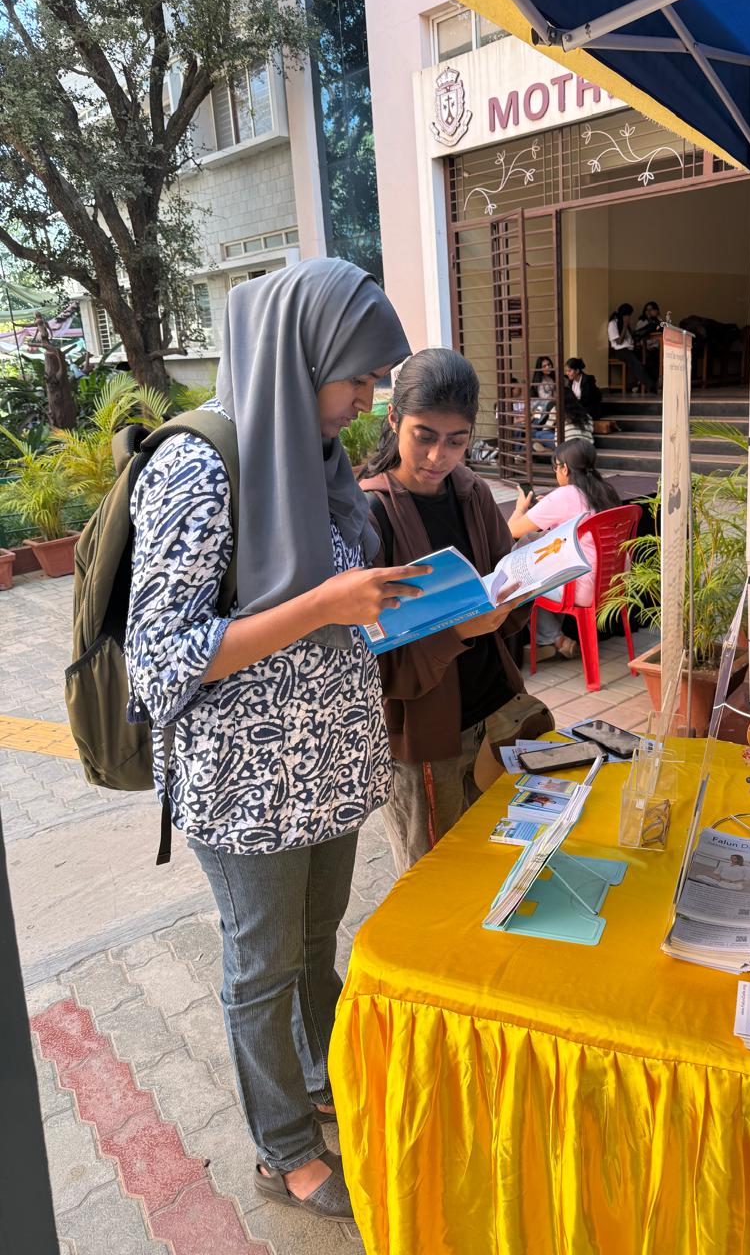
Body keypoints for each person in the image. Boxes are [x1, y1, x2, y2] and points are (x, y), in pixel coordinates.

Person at [125, 260, 429, 1224]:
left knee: (312, 945)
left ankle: (322, 1082)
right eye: (357, 378)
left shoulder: (318, 460)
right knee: (262, 968)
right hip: (246, 787)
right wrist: (324, 606)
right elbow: (159, 661)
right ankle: (284, 1152)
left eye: (376, 380)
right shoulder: (198, 466)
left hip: (327, 768)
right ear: (299, 360)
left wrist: (387, 604)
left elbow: (330, 603)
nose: (368, 401)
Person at [360, 348, 546, 875]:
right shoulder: (370, 513)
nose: (438, 456)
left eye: (456, 441)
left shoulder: (472, 492)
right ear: (394, 419)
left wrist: (528, 581)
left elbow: (500, 576)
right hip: (427, 734)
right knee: (435, 877)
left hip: (494, 708)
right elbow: (370, 652)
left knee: (501, 863)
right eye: (424, 436)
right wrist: (458, 629)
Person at [508, 438, 620, 659]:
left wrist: (521, 508)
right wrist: (548, 506)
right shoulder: (606, 491)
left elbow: (513, 530)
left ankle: (555, 640)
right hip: (614, 584)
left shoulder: (564, 496)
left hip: (583, 588)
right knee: (545, 568)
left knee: (518, 577)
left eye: (555, 467)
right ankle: (549, 641)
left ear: (565, 468)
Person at [607, 303, 653, 394]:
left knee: (648, 358)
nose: (629, 317)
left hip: (630, 349)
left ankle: (643, 384)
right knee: (635, 363)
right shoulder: (613, 324)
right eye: (628, 315)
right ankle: (651, 386)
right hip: (620, 351)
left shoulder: (624, 324)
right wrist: (625, 325)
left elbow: (630, 339)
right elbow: (619, 342)